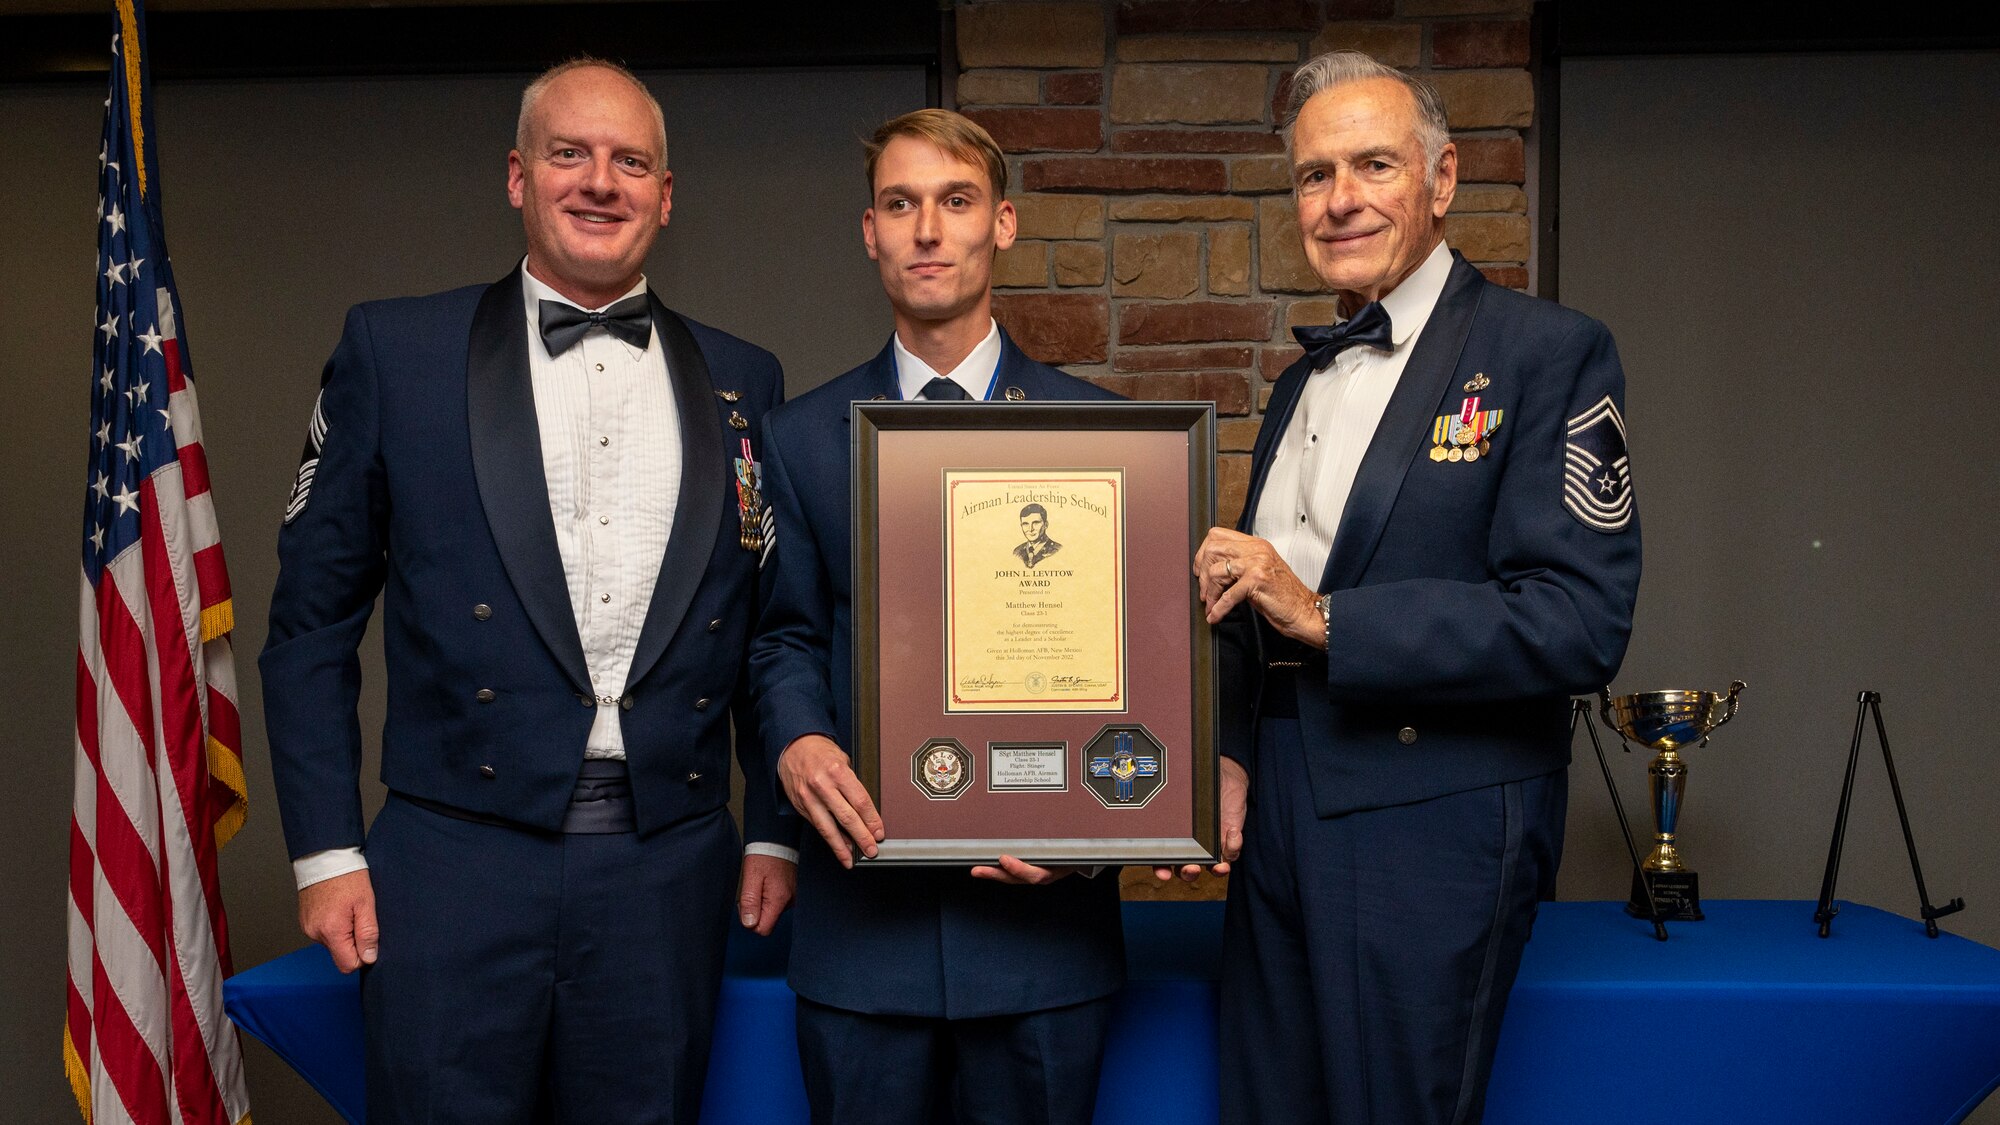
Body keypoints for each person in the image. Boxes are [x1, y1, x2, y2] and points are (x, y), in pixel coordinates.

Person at [259, 57, 797, 1124]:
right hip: (453, 862)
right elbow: (310, 626)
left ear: (665, 194)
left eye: (629, 161)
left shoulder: (747, 377)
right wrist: (324, 852)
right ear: (518, 177)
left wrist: (773, 827)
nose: (600, 182)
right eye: (569, 154)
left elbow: (773, 622)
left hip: (668, 868)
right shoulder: (396, 350)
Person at [1187, 51, 1642, 1123]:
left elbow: (1578, 621)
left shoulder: (1548, 352)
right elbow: (1254, 612)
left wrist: (1326, 616)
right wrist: (1231, 757)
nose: (1338, 199)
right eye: (1311, 175)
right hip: (1282, 803)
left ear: (1440, 182)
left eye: (1372, 166)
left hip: (1431, 812)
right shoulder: (1297, 379)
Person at [749, 108, 1123, 1125]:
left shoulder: (1107, 435)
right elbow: (781, 632)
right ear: (868, 230)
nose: (926, 230)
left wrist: (1098, 825)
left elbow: (1137, 665)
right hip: (862, 937)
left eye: (954, 202)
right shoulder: (798, 438)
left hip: (1044, 941)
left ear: (1000, 224)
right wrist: (796, 737)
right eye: (900, 204)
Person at [1012, 502, 1062, 568]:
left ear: (1046, 525)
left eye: (1036, 523)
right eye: (1025, 524)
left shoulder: (1057, 550)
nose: (1030, 529)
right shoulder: (1017, 552)